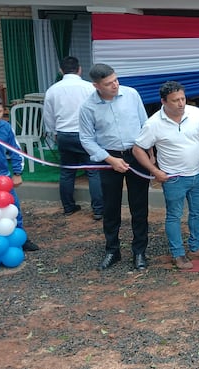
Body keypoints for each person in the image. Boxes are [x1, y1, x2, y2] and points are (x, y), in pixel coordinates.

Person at [132, 81, 199, 270]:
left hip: (198, 173)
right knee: (174, 216)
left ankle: (196, 247)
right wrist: (155, 171)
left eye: (182, 98)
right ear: (163, 101)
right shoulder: (153, 123)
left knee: (198, 212)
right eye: (175, 100)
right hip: (173, 178)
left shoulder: (195, 113)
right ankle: (178, 254)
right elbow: (138, 149)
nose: (181, 103)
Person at [79, 63, 150, 271]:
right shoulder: (88, 107)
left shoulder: (131, 94)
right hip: (108, 158)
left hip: (136, 154)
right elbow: (86, 138)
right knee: (110, 207)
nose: (115, 85)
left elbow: (145, 124)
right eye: (109, 83)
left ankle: (139, 252)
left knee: (139, 206)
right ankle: (112, 250)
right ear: (96, 86)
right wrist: (110, 160)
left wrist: (149, 153)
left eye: (116, 80)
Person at [43, 56, 103, 220]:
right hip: (87, 134)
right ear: (80, 69)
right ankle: (98, 209)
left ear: (61, 70)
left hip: (64, 134)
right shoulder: (89, 88)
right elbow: (99, 112)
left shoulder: (52, 90)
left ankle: (68, 207)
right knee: (93, 172)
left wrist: (54, 132)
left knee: (67, 172)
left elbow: (48, 116)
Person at [0, 96, 39, 251]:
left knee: (13, 208)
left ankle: (20, 238)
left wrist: (17, 173)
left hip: (3, 178)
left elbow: (15, 150)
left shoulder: (5, 127)